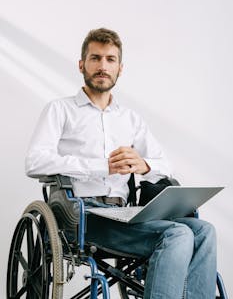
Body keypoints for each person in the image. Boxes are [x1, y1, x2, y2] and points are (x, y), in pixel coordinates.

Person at [25, 28, 217, 299]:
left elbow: (166, 165)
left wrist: (144, 165)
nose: (103, 66)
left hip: (126, 214)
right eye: (96, 58)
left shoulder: (130, 119)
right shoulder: (60, 110)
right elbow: (35, 162)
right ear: (82, 64)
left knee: (204, 231)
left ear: (120, 68)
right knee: (177, 235)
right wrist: (102, 166)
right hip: (83, 216)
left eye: (110, 60)